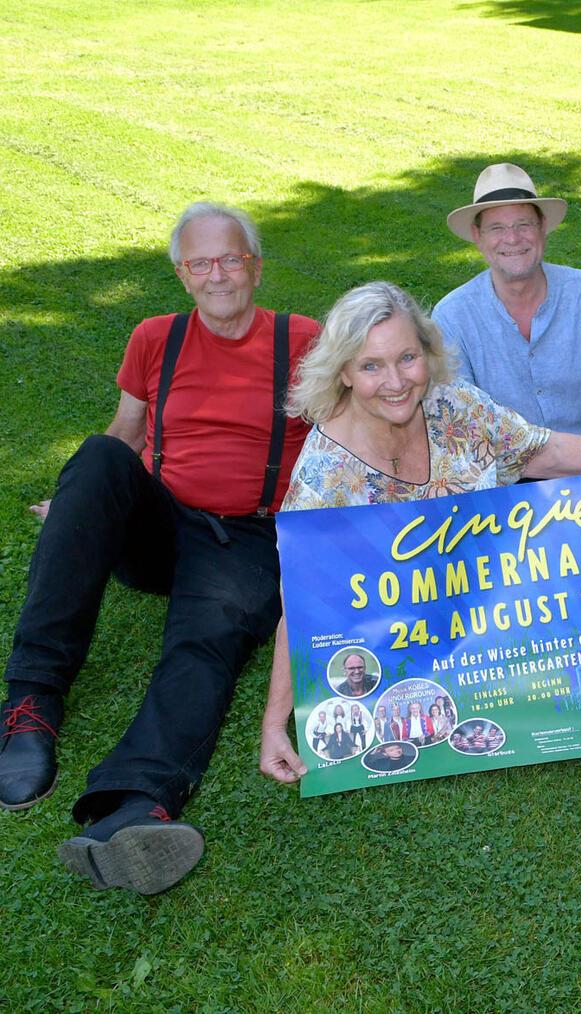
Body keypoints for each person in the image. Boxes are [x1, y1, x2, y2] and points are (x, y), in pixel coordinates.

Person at [0, 202, 318, 895]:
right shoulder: (154, 338)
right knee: (93, 460)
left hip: (250, 535)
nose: (218, 275)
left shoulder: (303, 340)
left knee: (204, 639)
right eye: (201, 262)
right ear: (181, 274)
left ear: (256, 267)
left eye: (232, 258)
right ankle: (30, 704)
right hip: (165, 522)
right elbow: (125, 433)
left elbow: (347, 435)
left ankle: (134, 804)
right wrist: (81, 500)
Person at [258, 281, 581, 782]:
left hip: (497, 604)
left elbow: (541, 451)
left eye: (407, 357)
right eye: (371, 366)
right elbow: (302, 600)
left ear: (428, 353)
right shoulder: (325, 473)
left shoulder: (453, 405)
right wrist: (276, 723)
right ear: (344, 374)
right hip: (411, 639)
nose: (396, 381)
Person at [432, 163, 581, 448]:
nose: (512, 238)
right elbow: (462, 426)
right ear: (477, 236)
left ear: (543, 226)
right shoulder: (451, 316)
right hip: (503, 464)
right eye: (497, 228)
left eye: (524, 224)